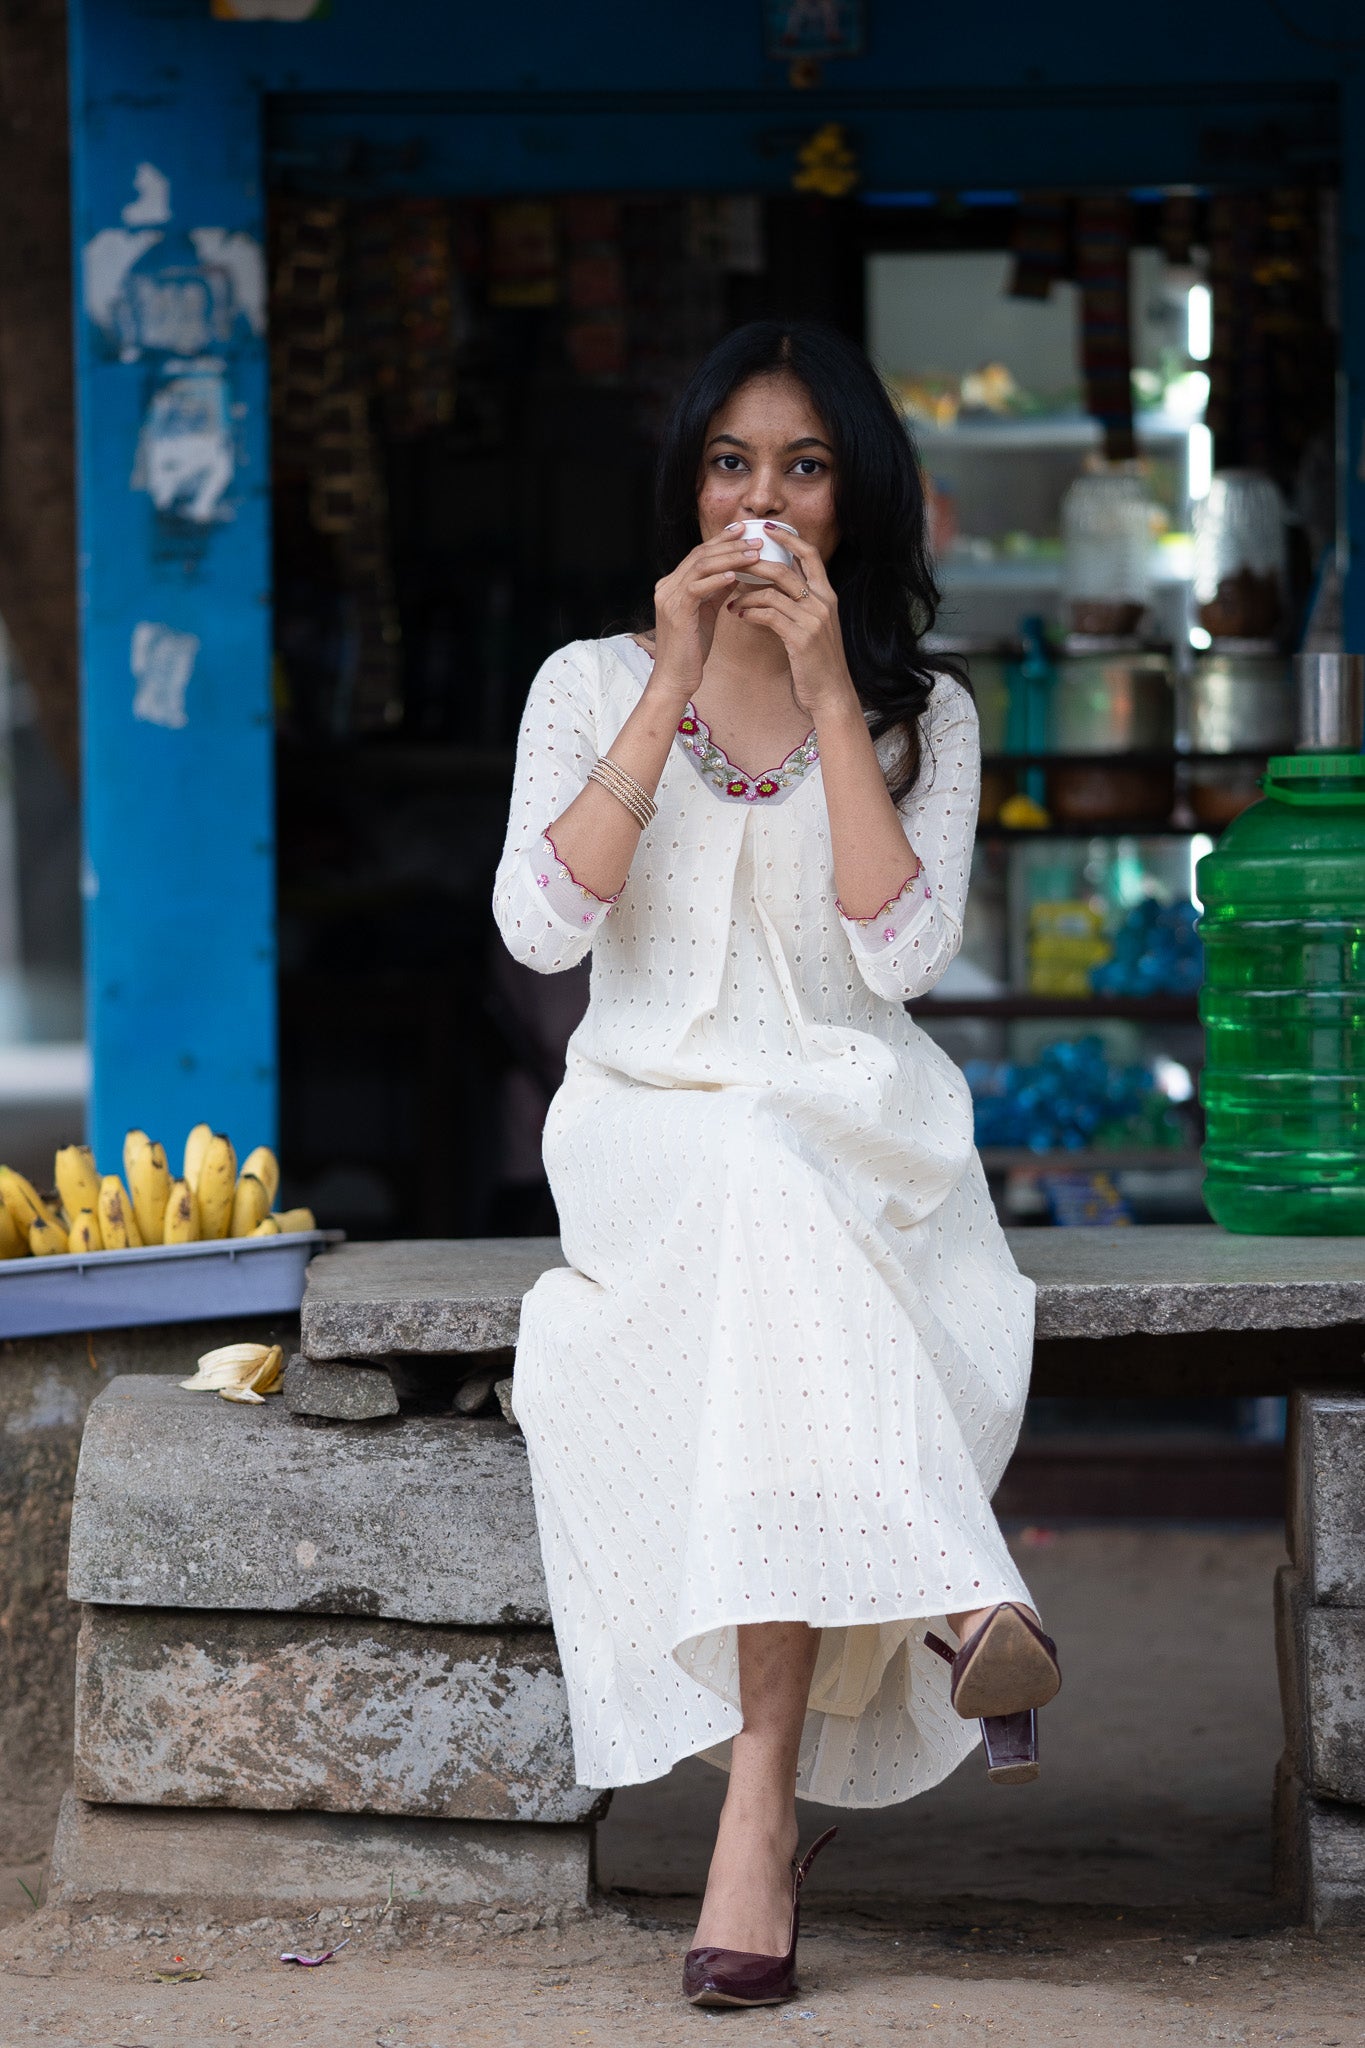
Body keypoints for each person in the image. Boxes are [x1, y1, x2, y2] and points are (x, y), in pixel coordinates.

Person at [492, 320, 1060, 2010]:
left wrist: (826, 691)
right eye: (732, 464)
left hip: (856, 1131)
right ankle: (959, 1596)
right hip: (651, 1127)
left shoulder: (921, 714)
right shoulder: (591, 683)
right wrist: (672, 681)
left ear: (855, 495)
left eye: (802, 466)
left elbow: (899, 966)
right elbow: (540, 927)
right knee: (740, 1159)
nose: (764, 503)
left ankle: (754, 1818)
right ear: (686, 488)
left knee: (777, 1193)